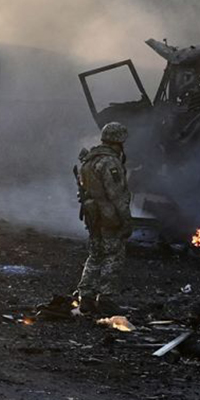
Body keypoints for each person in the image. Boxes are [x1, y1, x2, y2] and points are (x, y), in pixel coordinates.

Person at [73, 121, 133, 314]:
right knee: (113, 256)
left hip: (93, 215)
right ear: (119, 140)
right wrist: (126, 220)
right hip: (108, 216)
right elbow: (117, 194)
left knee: (95, 254)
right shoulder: (110, 162)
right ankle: (106, 298)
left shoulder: (90, 160)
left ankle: (86, 296)